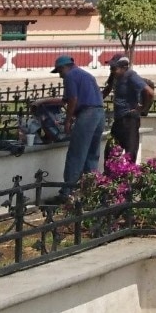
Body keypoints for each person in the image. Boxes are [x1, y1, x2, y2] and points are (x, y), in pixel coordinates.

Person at [50, 53, 105, 203]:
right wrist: (44, 101)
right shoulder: (86, 75)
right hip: (99, 113)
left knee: (76, 153)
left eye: (59, 72)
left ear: (64, 67)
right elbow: (66, 100)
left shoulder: (70, 76)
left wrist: (67, 121)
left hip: (87, 114)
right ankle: (89, 190)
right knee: (92, 153)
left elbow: (73, 99)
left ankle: (67, 192)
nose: (60, 76)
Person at [105, 56, 153, 162]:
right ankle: (111, 176)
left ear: (124, 67)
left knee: (130, 153)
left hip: (129, 119)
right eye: (111, 68)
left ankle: (129, 175)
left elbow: (149, 92)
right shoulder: (115, 76)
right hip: (118, 119)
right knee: (110, 153)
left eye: (114, 68)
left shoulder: (131, 76)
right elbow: (108, 88)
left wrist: (143, 109)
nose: (111, 70)